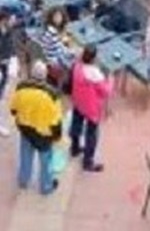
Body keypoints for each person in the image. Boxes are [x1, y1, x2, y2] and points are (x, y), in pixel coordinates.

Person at [10, 60, 62, 194]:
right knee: (46, 162)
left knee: (25, 156)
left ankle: (23, 181)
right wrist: (57, 136)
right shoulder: (52, 94)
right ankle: (46, 186)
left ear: (32, 74)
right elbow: (56, 121)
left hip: (25, 129)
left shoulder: (21, 87)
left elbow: (13, 110)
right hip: (43, 134)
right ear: (45, 76)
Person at [67, 45, 109, 173]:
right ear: (94, 58)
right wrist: (109, 80)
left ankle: (74, 149)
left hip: (78, 102)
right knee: (91, 134)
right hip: (91, 108)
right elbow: (105, 92)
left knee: (76, 124)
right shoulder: (95, 74)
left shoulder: (77, 66)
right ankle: (88, 161)